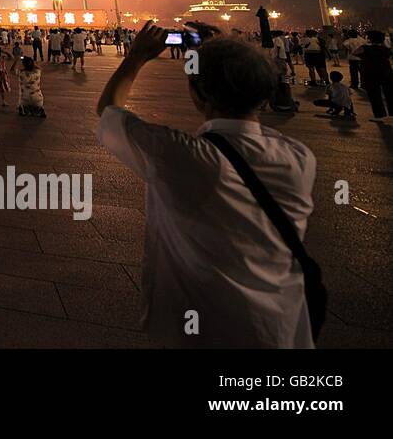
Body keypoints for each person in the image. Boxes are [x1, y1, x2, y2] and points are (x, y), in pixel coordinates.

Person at [95, 22, 317, 348]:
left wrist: (136, 57)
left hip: (210, 328)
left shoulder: (190, 158)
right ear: (265, 95)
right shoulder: (300, 158)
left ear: (198, 96)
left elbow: (108, 112)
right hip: (285, 329)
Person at [358, 30, 393, 120]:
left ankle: (379, 115)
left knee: (375, 95)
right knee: (389, 93)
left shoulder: (365, 48)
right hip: (386, 72)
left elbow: (354, 52)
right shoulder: (386, 49)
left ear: (370, 39)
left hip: (371, 73)